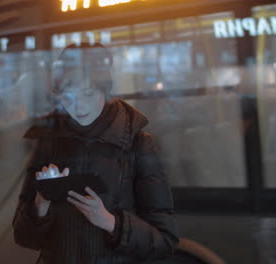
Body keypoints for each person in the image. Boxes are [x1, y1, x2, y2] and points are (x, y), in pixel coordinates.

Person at [12, 43, 179, 263]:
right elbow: (24, 238)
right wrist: (40, 204)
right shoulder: (48, 142)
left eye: (87, 92)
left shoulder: (137, 144)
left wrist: (110, 222)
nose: (78, 106)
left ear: (105, 89)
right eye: (68, 95)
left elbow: (164, 241)